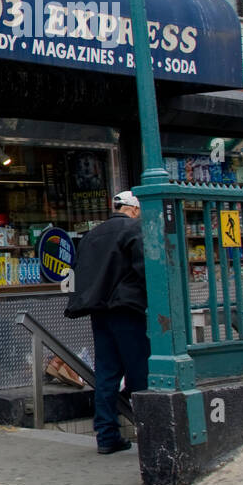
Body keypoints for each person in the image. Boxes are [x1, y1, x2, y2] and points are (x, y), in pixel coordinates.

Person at [65, 189, 148, 455]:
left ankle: (106, 434)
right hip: (128, 309)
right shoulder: (134, 230)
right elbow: (144, 270)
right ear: (134, 209)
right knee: (139, 373)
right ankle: (150, 431)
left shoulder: (92, 235)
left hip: (100, 312)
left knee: (107, 373)